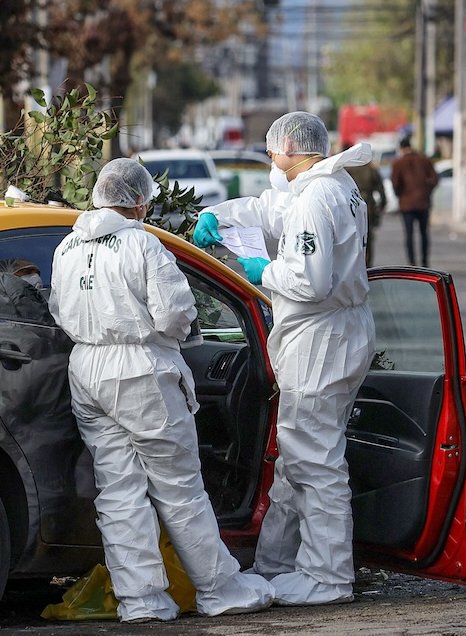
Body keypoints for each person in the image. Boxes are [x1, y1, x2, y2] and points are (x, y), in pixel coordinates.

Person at [47, 158, 274, 623]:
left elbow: (57, 307)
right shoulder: (143, 245)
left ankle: (141, 600)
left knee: (118, 489)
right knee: (179, 487)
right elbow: (176, 313)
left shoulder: (68, 246)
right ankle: (219, 588)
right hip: (140, 367)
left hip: (86, 368)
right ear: (138, 201)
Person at [191, 111, 376, 606]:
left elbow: (310, 282)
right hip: (333, 334)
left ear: (291, 147)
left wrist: (262, 269)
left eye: (273, 150)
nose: (271, 159)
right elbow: (271, 209)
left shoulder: (319, 198)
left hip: (322, 339)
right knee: (300, 457)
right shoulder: (327, 188)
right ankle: (284, 563)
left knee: (315, 461)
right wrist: (222, 215)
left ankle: (328, 575)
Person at [390, 137, 439, 267]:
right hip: (423, 203)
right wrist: (426, 192)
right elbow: (434, 179)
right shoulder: (424, 161)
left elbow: (395, 184)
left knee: (409, 234)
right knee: (424, 233)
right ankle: (424, 262)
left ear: (401, 149)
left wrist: (400, 194)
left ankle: (411, 262)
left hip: (406, 204)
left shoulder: (398, 163)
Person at [345, 151, 388, 267]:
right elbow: (381, 190)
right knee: (368, 237)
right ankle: (368, 265)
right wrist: (382, 205)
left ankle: (354, 264)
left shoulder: (349, 170)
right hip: (368, 205)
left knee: (352, 237)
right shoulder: (371, 170)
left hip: (351, 205)